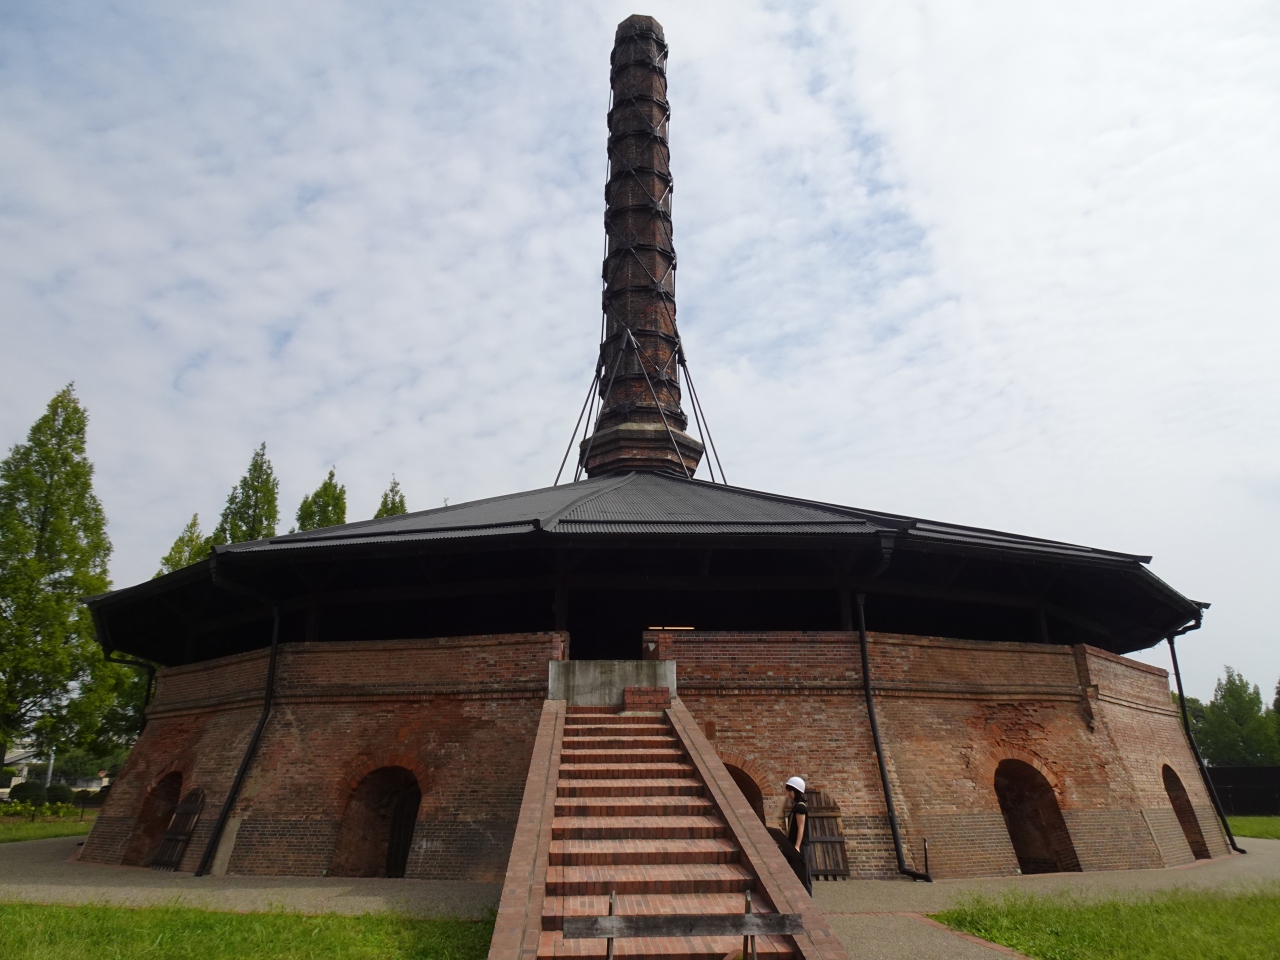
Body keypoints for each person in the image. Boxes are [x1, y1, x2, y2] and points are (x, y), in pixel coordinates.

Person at [783, 775, 812, 895]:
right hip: (795, 844)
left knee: (803, 873)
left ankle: (807, 897)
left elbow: (801, 827)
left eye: (790, 791)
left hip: (800, 845)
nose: (788, 794)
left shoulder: (800, 807)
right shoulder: (796, 806)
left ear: (795, 791)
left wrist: (797, 846)